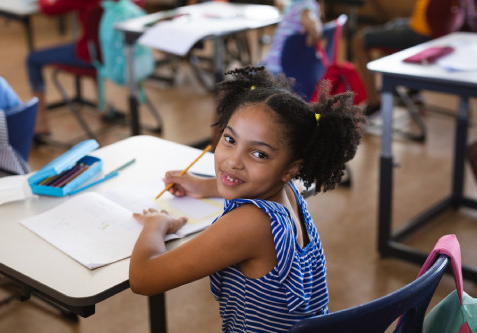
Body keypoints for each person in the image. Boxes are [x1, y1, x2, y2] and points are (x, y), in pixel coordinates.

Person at [129, 66, 365, 332]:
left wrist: (156, 225)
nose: (233, 161)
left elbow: (143, 278)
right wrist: (204, 186)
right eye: (229, 139)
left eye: (259, 154)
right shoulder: (289, 190)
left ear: (290, 168)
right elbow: (261, 183)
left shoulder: (250, 224)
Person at [26, 0, 102, 142]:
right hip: (114, 55)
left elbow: (49, 10)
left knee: (32, 59)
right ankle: (102, 104)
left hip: (89, 56)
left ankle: (40, 122)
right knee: (94, 43)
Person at [351, 0, 435, 116]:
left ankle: (373, 101)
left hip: (421, 34)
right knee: (394, 23)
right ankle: (412, 90)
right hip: (423, 26)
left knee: (358, 40)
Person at [261, 0, 322, 76]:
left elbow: (313, 25)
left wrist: (314, 30)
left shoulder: (305, 8)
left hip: (278, 68)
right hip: (278, 64)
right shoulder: (294, 5)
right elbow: (280, 4)